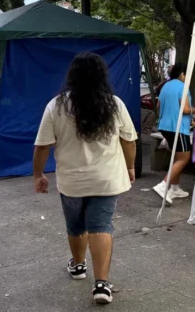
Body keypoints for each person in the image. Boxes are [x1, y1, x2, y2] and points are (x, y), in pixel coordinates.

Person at [33, 52, 137, 305]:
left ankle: (78, 266)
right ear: (102, 76)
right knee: (101, 226)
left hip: (72, 181)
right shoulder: (115, 104)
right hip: (107, 179)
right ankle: (102, 284)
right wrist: (130, 167)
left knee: (76, 225)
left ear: (72, 76)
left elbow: (43, 145)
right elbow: (129, 140)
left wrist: (38, 174)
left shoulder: (56, 105)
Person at [153, 63, 195, 203]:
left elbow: (159, 105)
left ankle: (175, 188)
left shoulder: (166, 86)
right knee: (183, 158)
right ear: (182, 74)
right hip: (177, 128)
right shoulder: (182, 87)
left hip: (164, 126)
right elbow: (186, 110)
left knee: (176, 157)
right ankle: (163, 185)